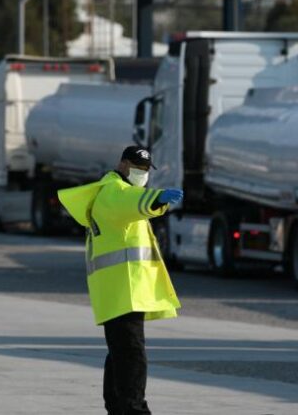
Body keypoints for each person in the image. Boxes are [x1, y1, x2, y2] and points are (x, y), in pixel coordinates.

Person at [57, 145, 182, 415]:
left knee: (120, 352)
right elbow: (131, 202)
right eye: (138, 167)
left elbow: (133, 203)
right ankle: (134, 409)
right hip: (123, 288)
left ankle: (117, 406)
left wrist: (154, 201)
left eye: (147, 169)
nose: (143, 173)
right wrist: (158, 198)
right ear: (123, 164)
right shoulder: (113, 191)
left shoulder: (115, 191)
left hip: (120, 289)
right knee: (132, 353)